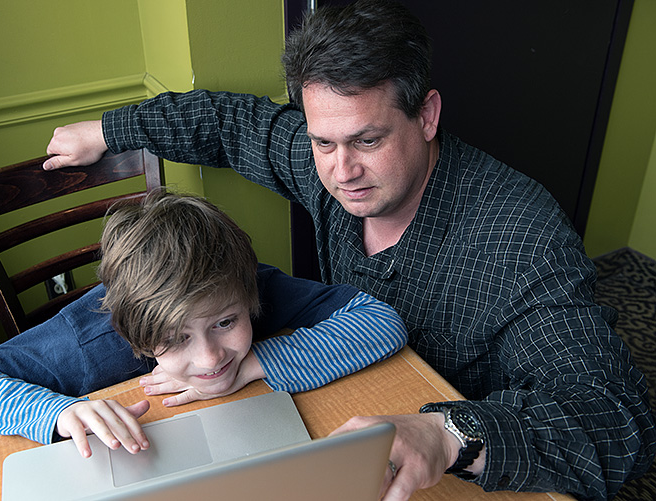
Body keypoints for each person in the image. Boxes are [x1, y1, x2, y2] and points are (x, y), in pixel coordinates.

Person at [40, 0, 656, 499]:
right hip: (349, 414)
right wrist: (107, 131)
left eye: (367, 139)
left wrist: (449, 433)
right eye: (323, 143)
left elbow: (619, 423)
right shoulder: (329, 162)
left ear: (428, 115)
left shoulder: (520, 237)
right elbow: (231, 124)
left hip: (470, 468)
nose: (343, 171)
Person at [0, 190, 407, 459]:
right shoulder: (88, 339)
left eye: (225, 322)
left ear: (246, 297)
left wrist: (258, 360)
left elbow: (381, 321)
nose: (211, 357)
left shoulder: (247, 284)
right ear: (131, 329)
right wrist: (56, 414)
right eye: (175, 339)